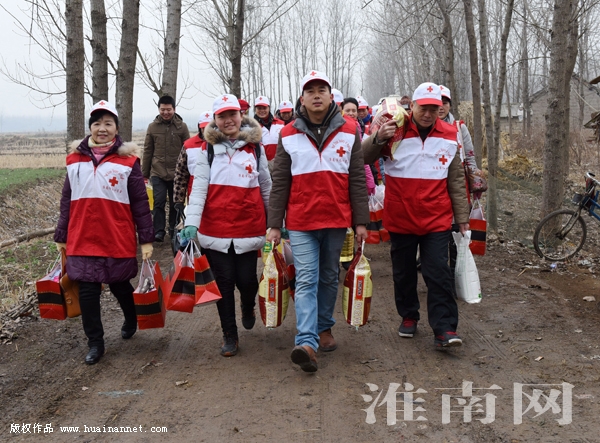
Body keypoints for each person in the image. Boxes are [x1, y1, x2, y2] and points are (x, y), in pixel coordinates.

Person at [267, 70, 370, 372]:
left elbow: (357, 179)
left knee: (328, 276)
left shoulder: (350, 129)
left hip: (337, 218)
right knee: (307, 278)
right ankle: (307, 342)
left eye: (321, 90)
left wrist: (361, 221)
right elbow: (280, 181)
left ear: (330, 96)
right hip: (301, 221)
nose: (316, 95)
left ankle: (324, 327)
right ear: (302, 98)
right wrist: (274, 224)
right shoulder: (288, 133)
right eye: (310, 91)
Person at [362, 82, 470, 348]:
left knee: (438, 273)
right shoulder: (395, 128)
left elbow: (456, 179)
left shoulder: (449, 134)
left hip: (436, 218)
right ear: (412, 106)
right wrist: (379, 137)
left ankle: (445, 328)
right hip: (401, 215)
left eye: (434, 108)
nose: (429, 114)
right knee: (404, 272)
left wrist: (462, 218)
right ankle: (409, 315)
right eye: (423, 108)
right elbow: (363, 157)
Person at [54, 101, 154, 365]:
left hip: (116, 235)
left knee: (119, 284)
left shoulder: (128, 161)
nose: (102, 128)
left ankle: (131, 317)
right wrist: (62, 235)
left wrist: (146, 239)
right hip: (82, 236)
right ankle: (95, 343)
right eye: (97, 123)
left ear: (116, 129)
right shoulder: (74, 160)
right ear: (90, 128)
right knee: (88, 291)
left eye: (108, 123)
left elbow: (140, 203)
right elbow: (67, 200)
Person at [180, 94, 271, 357]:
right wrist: (191, 223)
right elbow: (199, 189)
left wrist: (277, 222)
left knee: (247, 281)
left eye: (233, 114)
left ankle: (247, 304)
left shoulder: (256, 149)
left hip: (248, 226)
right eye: (222, 116)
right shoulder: (206, 150)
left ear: (241, 116)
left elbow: (266, 186)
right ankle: (229, 335)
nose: (228, 120)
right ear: (215, 120)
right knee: (224, 283)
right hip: (215, 228)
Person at [438, 85, 485, 296]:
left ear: (450, 105)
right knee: (440, 233)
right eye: (438, 103)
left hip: (459, 185)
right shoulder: (427, 126)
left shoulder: (460, 127)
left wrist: (475, 180)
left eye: (445, 103)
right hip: (436, 184)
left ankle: (456, 277)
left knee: (458, 230)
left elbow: (470, 155)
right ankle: (440, 278)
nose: (441, 107)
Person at [142, 95, 190, 243]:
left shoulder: (182, 127)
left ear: (174, 109)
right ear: (159, 109)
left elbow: (188, 149)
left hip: (177, 173)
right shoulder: (152, 127)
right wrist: (144, 174)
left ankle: (173, 228)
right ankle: (159, 231)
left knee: (176, 203)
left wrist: (189, 171)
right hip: (158, 172)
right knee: (159, 201)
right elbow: (148, 151)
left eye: (168, 109)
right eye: (163, 109)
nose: (166, 112)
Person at [173, 111, 212, 211]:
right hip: (195, 195)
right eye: (204, 128)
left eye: (210, 127)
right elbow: (181, 173)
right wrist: (179, 200)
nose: (207, 131)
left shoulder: (224, 145)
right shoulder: (188, 145)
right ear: (199, 127)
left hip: (217, 195)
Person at [254, 96, 285, 161]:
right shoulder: (252, 126)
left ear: (269, 108)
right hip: (260, 163)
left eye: (264, 108)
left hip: (280, 162)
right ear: (255, 109)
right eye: (259, 108)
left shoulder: (281, 124)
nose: (262, 110)